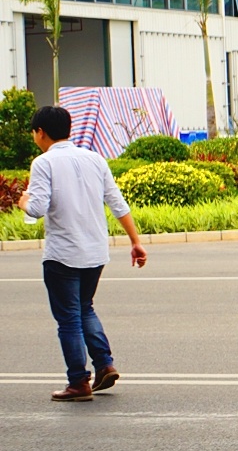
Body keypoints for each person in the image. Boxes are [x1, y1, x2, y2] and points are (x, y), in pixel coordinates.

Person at [23, 104, 147, 401]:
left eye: (34, 132)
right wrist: (135, 241)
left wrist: (23, 200)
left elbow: (36, 209)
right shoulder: (95, 159)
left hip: (62, 254)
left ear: (40, 133)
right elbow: (117, 203)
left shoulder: (43, 163)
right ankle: (104, 365)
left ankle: (78, 382)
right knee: (84, 307)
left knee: (68, 318)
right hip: (94, 252)